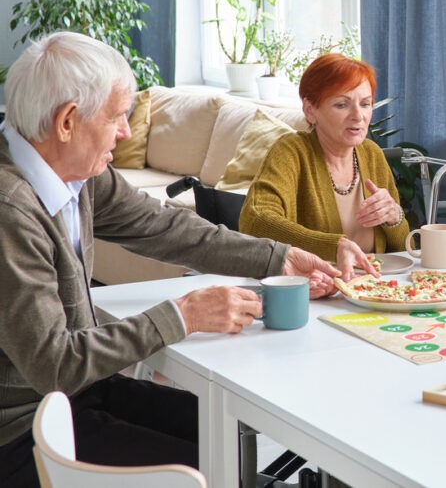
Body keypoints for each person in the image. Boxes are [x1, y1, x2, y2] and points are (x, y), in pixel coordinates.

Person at [0, 32, 341, 488]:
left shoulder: (76, 172)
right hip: (24, 432)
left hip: (80, 393)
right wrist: (184, 315)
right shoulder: (10, 210)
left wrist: (277, 258)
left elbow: (165, 226)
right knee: (219, 466)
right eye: (118, 117)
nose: (124, 132)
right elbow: (55, 362)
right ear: (67, 122)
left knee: (226, 435)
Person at [239, 53, 409, 276]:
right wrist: (332, 246)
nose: (358, 116)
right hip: (314, 289)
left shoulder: (371, 154)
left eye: (365, 104)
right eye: (342, 104)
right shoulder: (291, 151)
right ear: (311, 110)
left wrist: (394, 217)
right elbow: (255, 220)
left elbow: (404, 250)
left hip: (375, 289)